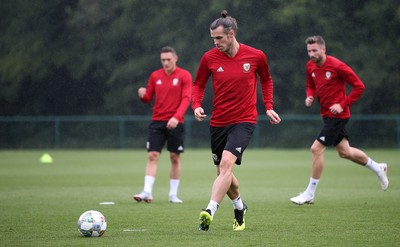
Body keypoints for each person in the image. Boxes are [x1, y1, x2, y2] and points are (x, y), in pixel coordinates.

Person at [192, 10, 281, 231]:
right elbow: (199, 84)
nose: (215, 42)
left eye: (219, 38)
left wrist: (268, 107)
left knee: (226, 165)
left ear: (231, 34)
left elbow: (267, 80)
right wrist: (196, 105)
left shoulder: (256, 56)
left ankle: (209, 210)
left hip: (244, 120)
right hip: (218, 122)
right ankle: (240, 207)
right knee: (224, 174)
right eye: (213, 38)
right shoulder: (209, 58)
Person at [290, 35, 389, 205]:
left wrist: (343, 104)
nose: (311, 54)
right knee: (345, 152)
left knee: (316, 149)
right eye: (309, 51)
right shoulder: (310, 66)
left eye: (315, 50)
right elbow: (310, 85)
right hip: (327, 115)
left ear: (323, 50)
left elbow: (359, 86)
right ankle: (378, 167)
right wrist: (310, 96)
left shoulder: (337, 66)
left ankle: (310, 193)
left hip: (338, 116)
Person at [134, 46, 192, 204]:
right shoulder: (155, 76)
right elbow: (147, 98)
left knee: (174, 157)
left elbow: (187, 98)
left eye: (168, 59)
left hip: (176, 122)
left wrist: (176, 117)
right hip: (157, 121)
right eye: (163, 60)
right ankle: (147, 191)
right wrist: (142, 95)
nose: (165, 63)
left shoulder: (184, 75)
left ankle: (173, 195)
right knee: (152, 155)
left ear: (175, 58)